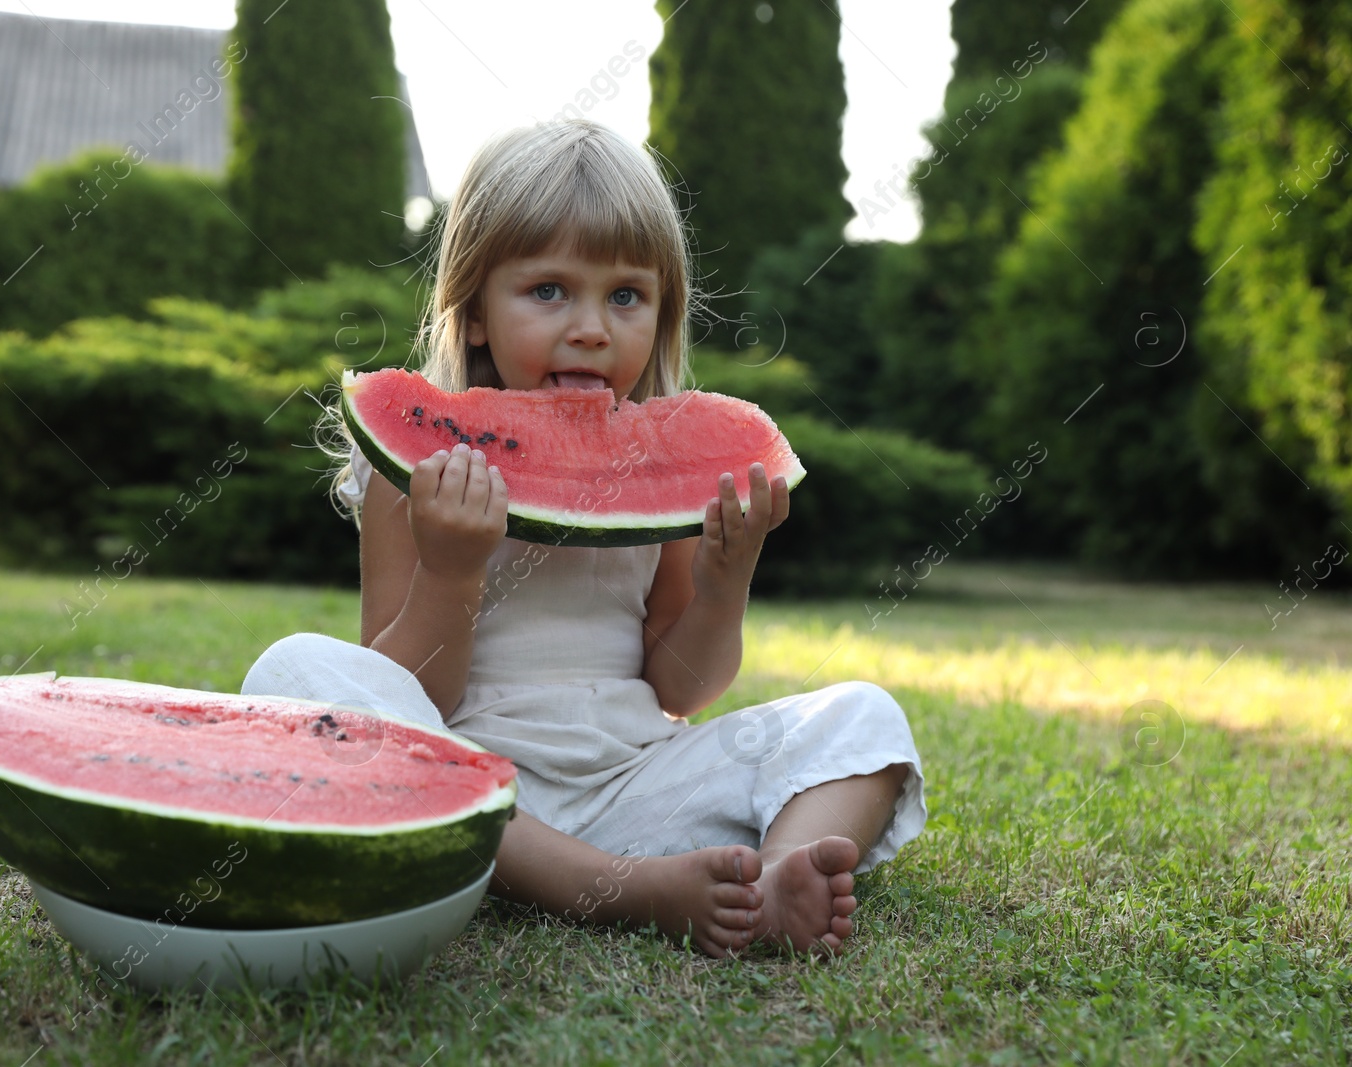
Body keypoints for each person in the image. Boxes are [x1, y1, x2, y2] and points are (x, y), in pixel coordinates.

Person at [243, 117, 925, 958]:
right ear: (478, 310)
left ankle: (779, 877)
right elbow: (414, 696)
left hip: (639, 787)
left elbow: (680, 686)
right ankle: (617, 891)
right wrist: (452, 571)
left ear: (662, 310)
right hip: (470, 785)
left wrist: (723, 581)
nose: (593, 326)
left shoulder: (663, 471)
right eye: (549, 291)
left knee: (864, 714)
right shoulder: (412, 468)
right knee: (294, 672)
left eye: (626, 295)